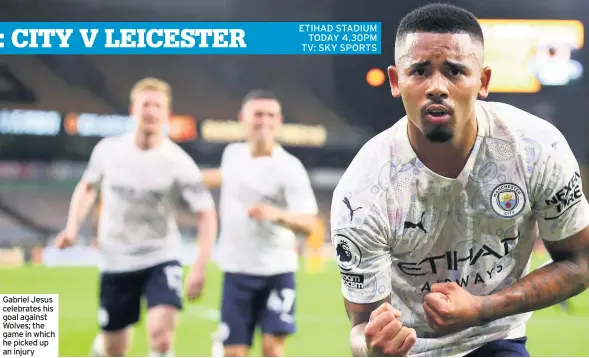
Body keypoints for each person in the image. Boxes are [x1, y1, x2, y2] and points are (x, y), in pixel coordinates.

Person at [330, 3, 589, 357]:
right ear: (395, 81)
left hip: (494, 337)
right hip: (408, 351)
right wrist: (371, 348)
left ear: (482, 82)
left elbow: (580, 260)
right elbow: (361, 323)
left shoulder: (535, 149)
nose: (437, 87)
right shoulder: (363, 191)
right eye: (419, 71)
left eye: (454, 71)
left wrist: (483, 308)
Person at [55, 77, 218, 357]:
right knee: (114, 349)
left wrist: (201, 265)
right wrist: (72, 227)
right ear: (133, 109)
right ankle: (102, 347)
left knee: (161, 336)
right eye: (146, 104)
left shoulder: (179, 163)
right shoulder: (108, 150)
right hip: (116, 259)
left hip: (161, 256)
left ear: (167, 114)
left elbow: (206, 213)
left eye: (158, 106)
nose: (151, 111)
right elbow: (87, 187)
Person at [202, 90, 319, 357]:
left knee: (272, 351)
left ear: (279, 121)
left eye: (270, 115)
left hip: (276, 272)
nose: (263, 121)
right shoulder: (232, 155)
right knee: (233, 352)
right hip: (236, 271)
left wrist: (277, 215)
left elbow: (310, 223)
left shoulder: (290, 167)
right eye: (258, 114)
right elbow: (228, 177)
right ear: (243, 118)